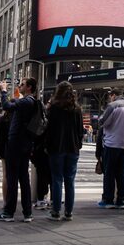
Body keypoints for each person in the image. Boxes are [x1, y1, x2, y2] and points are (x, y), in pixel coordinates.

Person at [0, 79, 39, 222]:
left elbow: (7, 105)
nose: (19, 86)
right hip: (25, 143)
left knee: (13, 177)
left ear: (29, 87)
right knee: (23, 178)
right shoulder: (30, 102)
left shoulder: (27, 101)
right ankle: (27, 212)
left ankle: (9, 212)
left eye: (22, 84)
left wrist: (3, 90)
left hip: (16, 143)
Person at [44, 81, 84, 221]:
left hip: (56, 148)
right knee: (70, 180)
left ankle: (55, 211)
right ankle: (68, 212)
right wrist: (78, 144)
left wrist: (47, 145)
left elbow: (48, 130)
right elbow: (80, 131)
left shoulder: (53, 108)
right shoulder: (77, 109)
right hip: (72, 148)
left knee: (57, 179)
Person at [97, 88, 124, 209]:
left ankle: (108, 200)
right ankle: (121, 200)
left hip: (111, 144)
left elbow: (103, 122)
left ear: (113, 95)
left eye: (110, 96)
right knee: (122, 174)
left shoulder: (112, 106)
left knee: (109, 173)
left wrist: (100, 120)